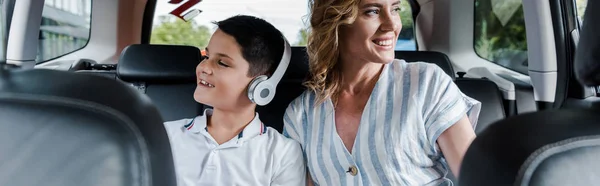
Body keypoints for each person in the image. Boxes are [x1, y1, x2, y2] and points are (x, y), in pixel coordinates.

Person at [283, 0, 481, 185]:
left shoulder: (428, 84)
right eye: (373, 11)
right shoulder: (300, 115)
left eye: (395, 9)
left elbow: (480, 179)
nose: (392, 25)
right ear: (336, 21)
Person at [164, 15, 305, 186]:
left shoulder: (282, 153)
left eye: (222, 63)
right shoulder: (165, 134)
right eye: (206, 57)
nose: (204, 67)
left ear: (261, 85)